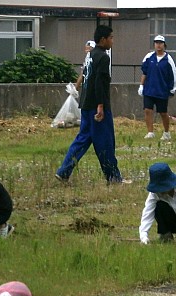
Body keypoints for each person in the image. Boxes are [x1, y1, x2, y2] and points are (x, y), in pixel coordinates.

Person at [55, 25, 126, 184]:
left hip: (86, 104)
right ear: (103, 39)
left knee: (82, 139)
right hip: (97, 105)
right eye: (111, 37)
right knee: (105, 142)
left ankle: (64, 171)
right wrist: (101, 105)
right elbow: (100, 83)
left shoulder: (90, 55)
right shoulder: (103, 57)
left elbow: (87, 77)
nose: (112, 41)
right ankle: (113, 177)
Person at [138, 35, 176, 140]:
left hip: (162, 91)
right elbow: (144, 72)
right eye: (156, 43)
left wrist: (172, 89)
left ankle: (166, 132)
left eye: (160, 43)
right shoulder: (149, 57)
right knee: (147, 110)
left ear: (164, 45)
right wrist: (141, 85)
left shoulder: (168, 59)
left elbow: (173, 75)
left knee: (163, 113)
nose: (158, 45)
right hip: (149, 90)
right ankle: (150, 132)